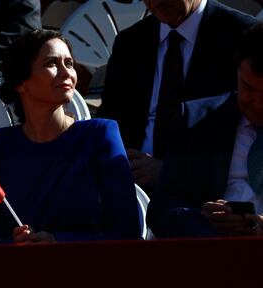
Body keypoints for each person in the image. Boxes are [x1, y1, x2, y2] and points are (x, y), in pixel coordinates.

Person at [0, 29, 142, 244]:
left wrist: (59, 241)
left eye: (70, 64)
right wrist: (15, 243)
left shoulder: (100, 135)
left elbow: (128, 231)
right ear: (20, 82)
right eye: (51, 64)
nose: (67, 73)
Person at [97, 0, 257, 194]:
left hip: (208, 192)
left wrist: (170, 171)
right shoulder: (130, 41)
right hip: (131, 184)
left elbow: (245, 132)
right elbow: (109, 118)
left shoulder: (241, 36)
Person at [147, 22, 263, 238]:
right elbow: (161, 210)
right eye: (248, 88)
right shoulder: (197, 121)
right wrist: (206, 222)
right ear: (237, 70)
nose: (257, 104)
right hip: (213, 258)